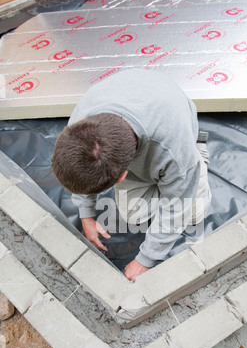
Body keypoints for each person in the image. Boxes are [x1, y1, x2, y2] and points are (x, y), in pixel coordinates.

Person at [52, 68, 211, 280]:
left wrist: (145, 259)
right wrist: (86, 214)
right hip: (138, 131)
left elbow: (177, 207)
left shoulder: (173, 146)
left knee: (193, 214)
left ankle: (199, 153)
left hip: (174, 130)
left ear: (121, 177)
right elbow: (81, 169)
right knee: (134, 216)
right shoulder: (80, 126)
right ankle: (164, 181)